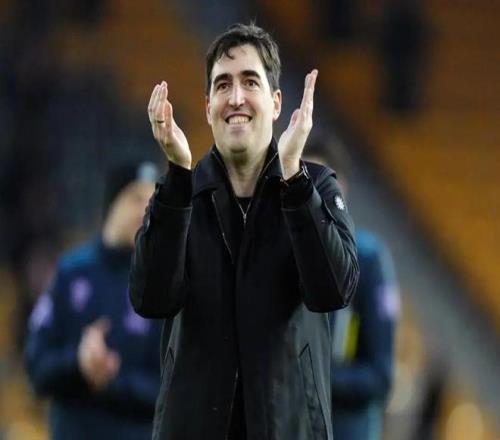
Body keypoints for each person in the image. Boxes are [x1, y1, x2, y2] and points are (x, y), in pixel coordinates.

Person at [129, 23, 359, 440]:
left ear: (276, 103)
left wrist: (295, 181)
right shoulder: (180, 194)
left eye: (250, 82)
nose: (236, 98)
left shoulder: (316, 187)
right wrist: (177, 177)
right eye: (223, 85)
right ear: (208, 107)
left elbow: (333, 291)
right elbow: (150, 298)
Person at [25, 161, 163, 440]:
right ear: (112, 202)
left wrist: (113, 380)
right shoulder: (69, 273)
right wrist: (78, 363)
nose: (145, 210)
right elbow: (36, 367)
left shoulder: (160, 286)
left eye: (151, 202)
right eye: (136, 199)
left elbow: (168, 389)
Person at [304, 140, 400, 440]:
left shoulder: (368, 260)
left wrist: (313, 380)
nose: (309, 193)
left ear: (340, 189)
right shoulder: (283, 257)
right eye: (301, 180)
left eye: (319, 182)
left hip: (346, 429)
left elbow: (381, 376)